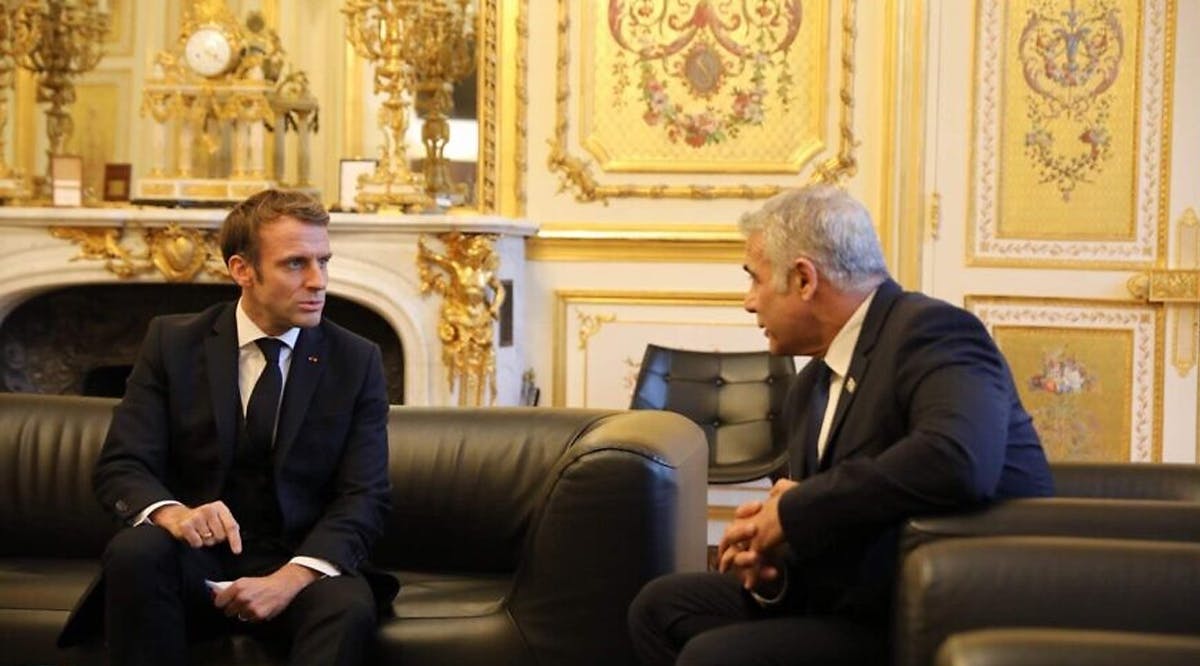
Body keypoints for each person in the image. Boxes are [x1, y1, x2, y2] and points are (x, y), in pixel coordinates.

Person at [628, 185, 1053, 665]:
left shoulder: (931, 332)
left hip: (939, 608)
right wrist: (774, 571)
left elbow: (956, 459)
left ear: (804, 279)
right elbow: (829, 522)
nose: (749, 302)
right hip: (853, 601)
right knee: (662, 609)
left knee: (715, 655)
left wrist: (791, 514)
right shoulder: (808, 386)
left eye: (756, 280)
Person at [58, 189, 396, 666]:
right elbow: (123, 463)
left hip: (300, 562)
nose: (319, 281)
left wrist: (289, 579)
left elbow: (365, 496)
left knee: (347, 607)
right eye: (296, 264)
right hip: (195, 557)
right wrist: (174, 514)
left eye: (324, 261)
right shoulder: (172, 343)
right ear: (242, 270)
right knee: (136, 551)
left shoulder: (356, 360)